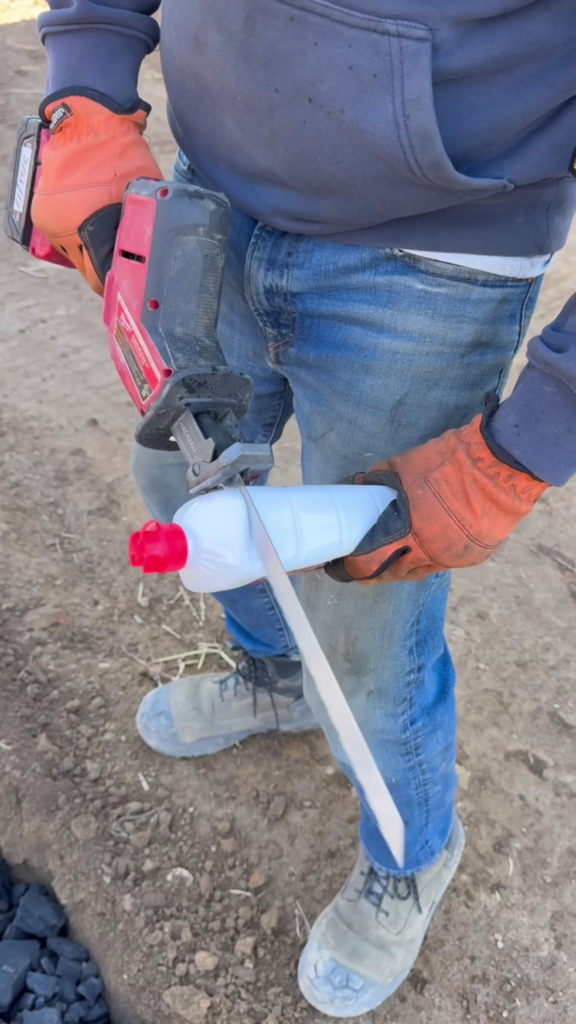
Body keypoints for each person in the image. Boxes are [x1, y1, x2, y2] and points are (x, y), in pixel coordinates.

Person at [31, 1, 576, 1017]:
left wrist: (537, 433)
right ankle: (276, 675)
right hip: (208, 194)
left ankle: (410, 848)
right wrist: (87, 75)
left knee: (369, 616)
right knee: (183, 487)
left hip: (437, 262)